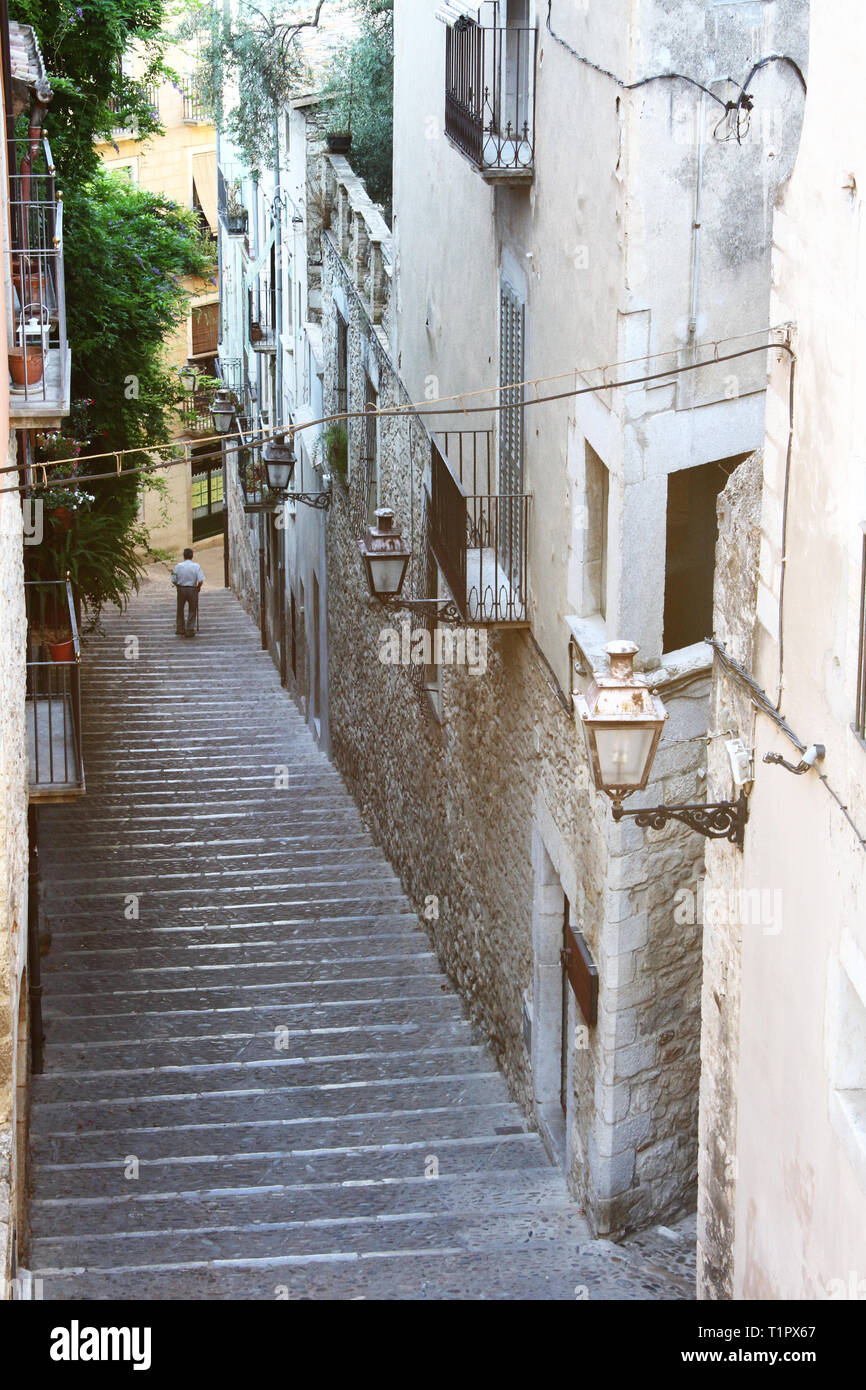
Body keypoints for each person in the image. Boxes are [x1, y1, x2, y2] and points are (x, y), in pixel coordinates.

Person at [171, 547, 205, 637]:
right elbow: (201, 580)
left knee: (180, 609)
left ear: (184, 556)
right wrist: (198, 587)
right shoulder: (196, 566)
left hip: (181, 588)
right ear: (192, 556)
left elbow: (173, 579)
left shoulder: (178, 566)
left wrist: (177, 585)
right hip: (192, 589)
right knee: (192, 609)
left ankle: (180, 628)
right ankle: (189, 629)